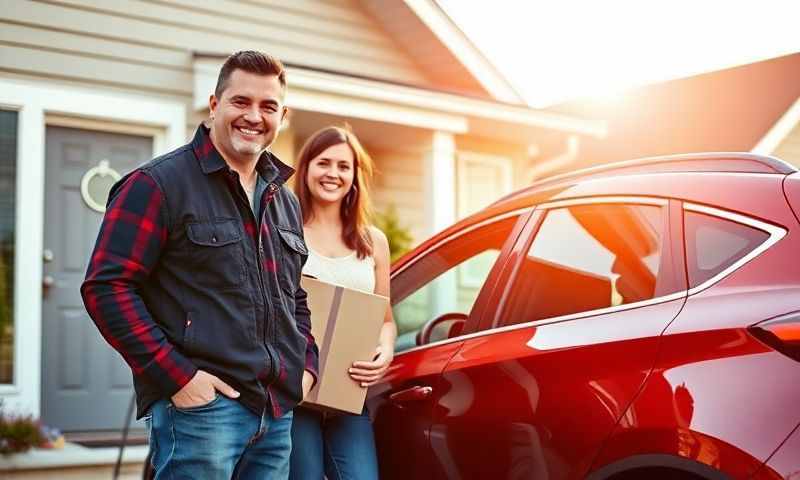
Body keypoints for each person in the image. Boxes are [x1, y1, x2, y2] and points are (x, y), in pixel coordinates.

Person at [81, 50, 318, 480]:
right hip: (203, 414)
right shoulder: (157, 185)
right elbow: (106, 287)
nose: (254, 116)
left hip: (275, 414)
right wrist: (178, 378)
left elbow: (294, 297)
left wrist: (306, 368)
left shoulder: (282, 200)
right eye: (240, 102)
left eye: (268, 107)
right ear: (214, 106)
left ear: (282, 116)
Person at [289, 126, 396, 480]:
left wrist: (386, 350)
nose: (333, 174)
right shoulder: (285, 231)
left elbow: (385, 318)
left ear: (354, 177)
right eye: (323, 163)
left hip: (349, 395)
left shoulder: (373, 242)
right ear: (306, 169)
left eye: (343, 166)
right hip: (294, 397)